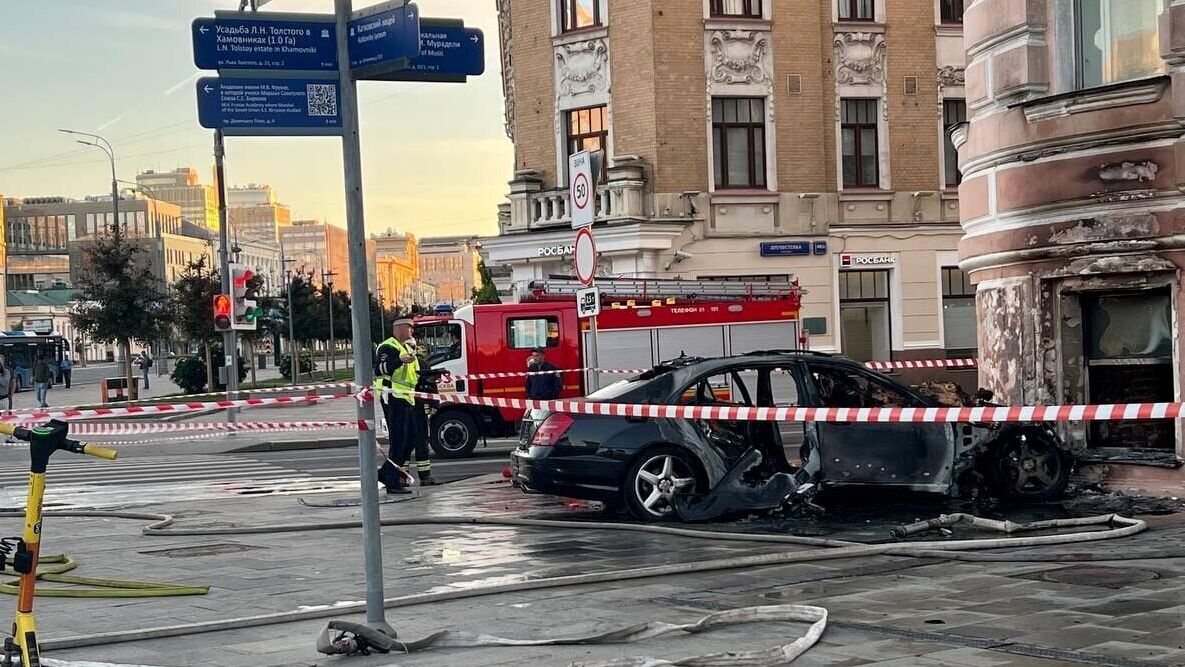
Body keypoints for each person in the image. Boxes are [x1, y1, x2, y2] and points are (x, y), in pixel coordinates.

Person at [374, 318, 419, 495]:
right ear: (400, 328)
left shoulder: (406, 347)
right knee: (398, 441)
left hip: (407, 398)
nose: (412, 332)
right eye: (411, 328)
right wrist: (400, 360)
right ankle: (392, 482)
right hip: (392, 398)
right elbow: (380, 370)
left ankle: (386, 473)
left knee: (411, 439)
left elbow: (411, 374)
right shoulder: (388, 347)